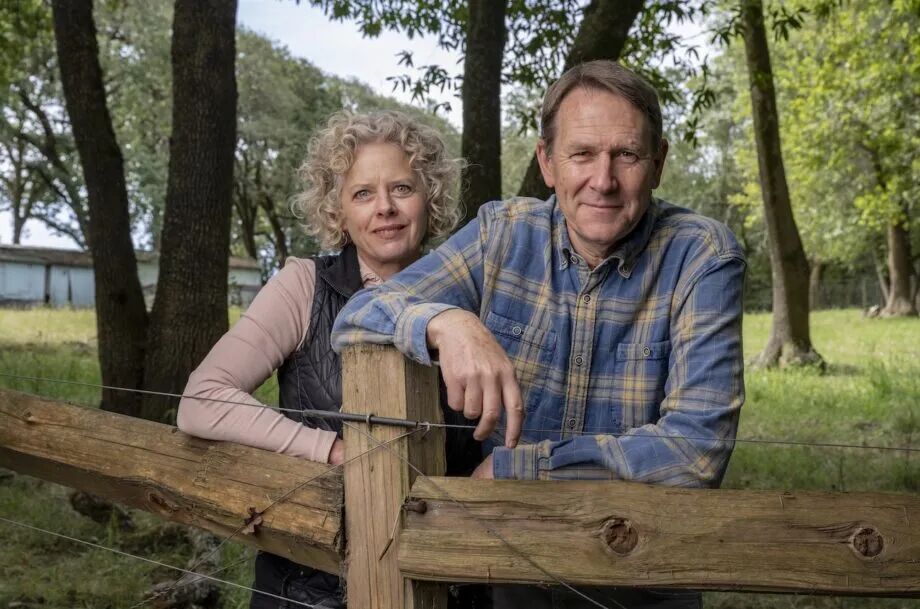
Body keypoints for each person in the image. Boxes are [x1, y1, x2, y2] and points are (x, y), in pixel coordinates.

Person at [332, 61, 746, 609]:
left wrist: (522, 469)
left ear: (658, 162)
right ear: (547, 162)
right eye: (582, 154)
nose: (603, 180)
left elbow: (695, 452)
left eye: (626, 155)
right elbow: (359, 314)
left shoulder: (702, 255)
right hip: (510, 575)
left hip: (640, 580)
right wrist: (447, 322)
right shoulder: (503, 235)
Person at [177, 110, 482, 609]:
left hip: (447, 584)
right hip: (307, 590)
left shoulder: (473, 294)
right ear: (337, 211)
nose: (385, 208)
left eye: (402, 188)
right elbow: (201, 401)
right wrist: (333, 450)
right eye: (362, 193)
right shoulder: (303, 285)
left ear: (431, 198)